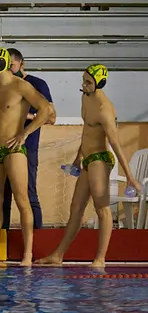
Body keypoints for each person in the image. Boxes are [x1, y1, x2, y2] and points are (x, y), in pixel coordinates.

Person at [36, 65, 142, 267]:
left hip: (101, 160)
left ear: (99, 83)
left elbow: (116, 144)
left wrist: (129, 176)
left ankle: (100, 259)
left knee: (102, 209)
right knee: (76, 208)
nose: (83, 85)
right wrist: (78, 158)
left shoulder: (105, 109)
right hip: (87, 159)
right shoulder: (85, 96)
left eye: (88, 82)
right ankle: (58, 255)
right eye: (83, 80)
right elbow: (86, 133)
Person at [0, 47, 54, 266]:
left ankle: (28, 254)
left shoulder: (21, 86)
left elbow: (46, 110)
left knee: (22, 200)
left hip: (13, 150)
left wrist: (25, 133)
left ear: (0, 65)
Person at [0, 48, 55, 230]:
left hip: (26, 146)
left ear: (22, 63)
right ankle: (1, 241)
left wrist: (24, 118)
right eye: (6, 65)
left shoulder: (36, 84)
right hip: (3, 147)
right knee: (2, 197)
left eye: (12, 65)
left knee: (28, 195)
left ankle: (36, 239)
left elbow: (51, 117)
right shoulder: (1, 84)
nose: (10, 69)